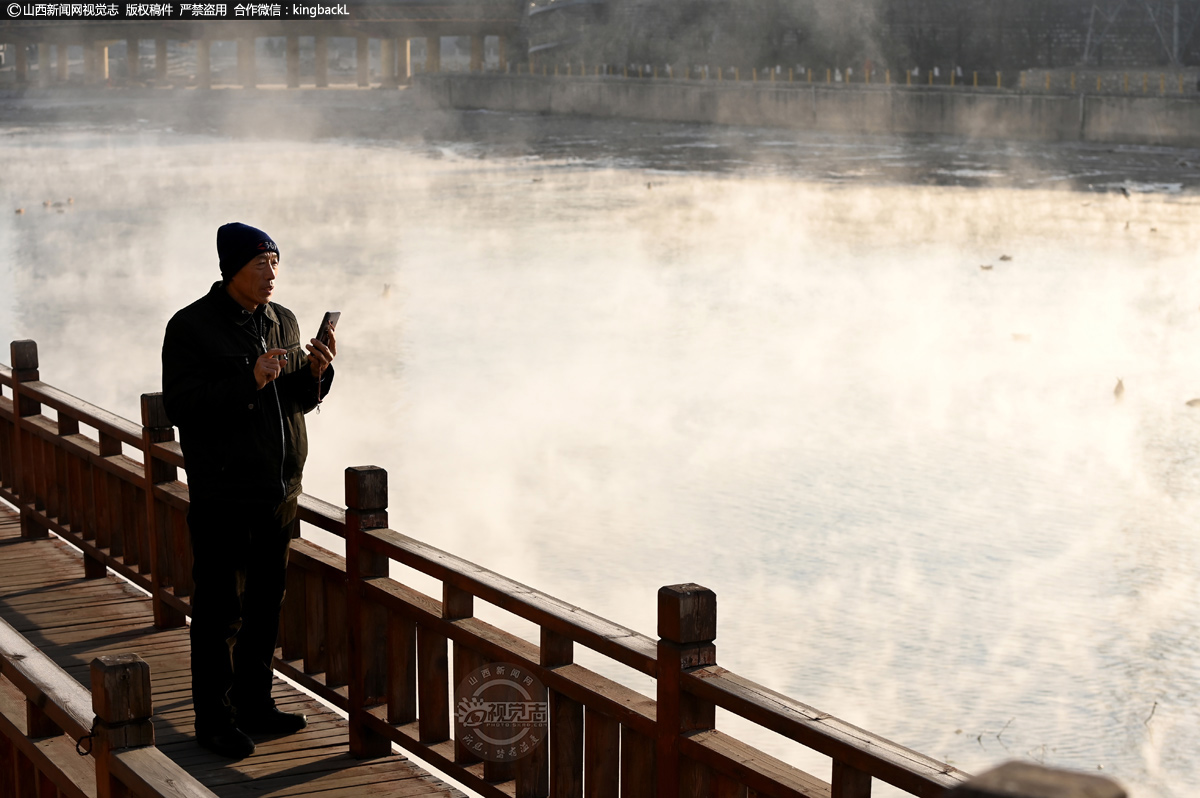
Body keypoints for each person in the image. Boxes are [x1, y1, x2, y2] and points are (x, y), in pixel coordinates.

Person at [162, 222, 336, 759]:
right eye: (261, 264)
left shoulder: (282, 320)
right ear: (232, 269)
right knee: (220, 614)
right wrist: (251, 378)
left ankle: (256, 705)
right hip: (224, 495)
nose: (272, 274)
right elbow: (183, 408)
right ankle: (214, 721)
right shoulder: (191, 326)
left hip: (279, 493)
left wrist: (317, 374)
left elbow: (297, 403)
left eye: (276, 263)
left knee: (265, 606)